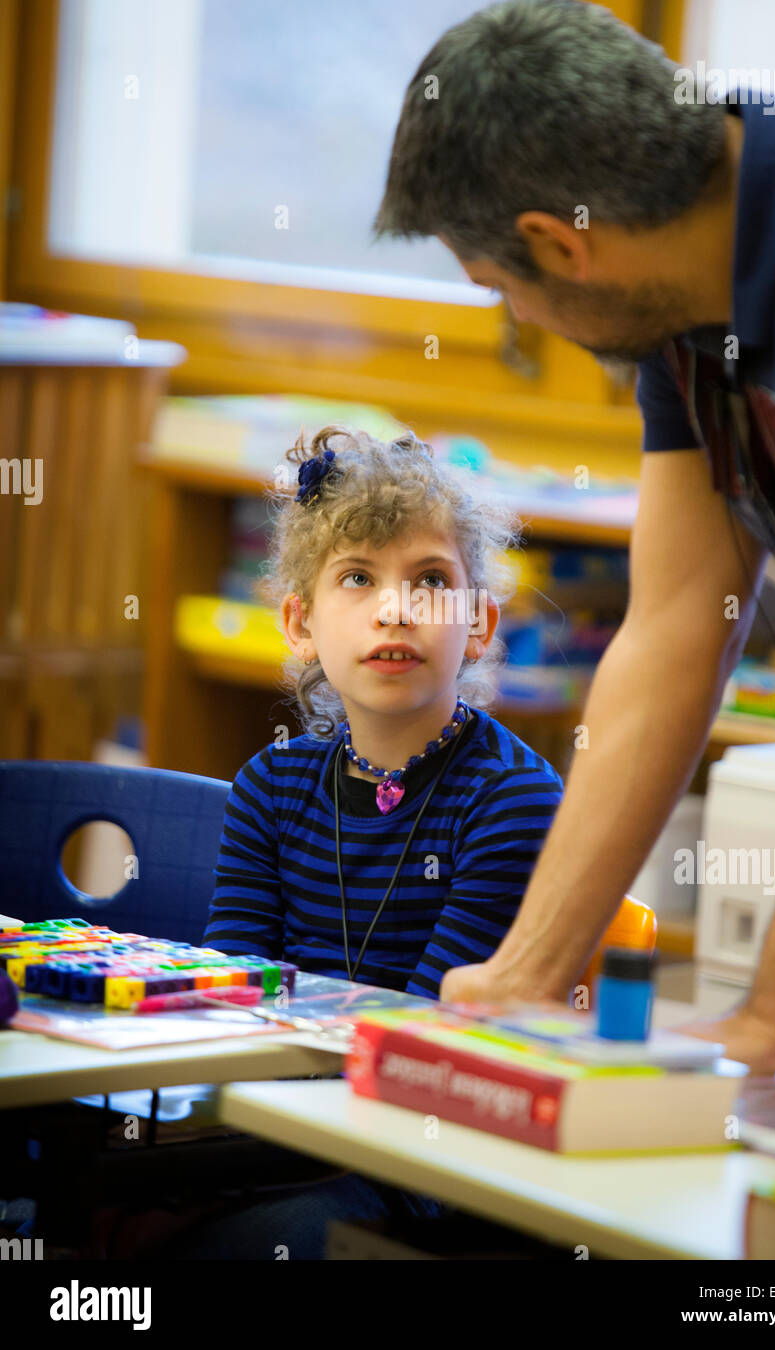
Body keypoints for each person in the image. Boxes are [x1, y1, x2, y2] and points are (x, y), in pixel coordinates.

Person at [371, 0, 775, 1075]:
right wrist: (526, 971)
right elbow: (675, 625)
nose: (519, 322)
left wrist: (763, 1023)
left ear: (559, 243)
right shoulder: (686, 304)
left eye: (502, 289)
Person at [164, 424, 563, 1258]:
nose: (395, 607)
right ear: (299, 624)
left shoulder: (513, 800)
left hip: (421, 1158)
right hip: (279, 1122)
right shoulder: (272, 786)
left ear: (481, 622)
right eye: (358, 578)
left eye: (430, 580)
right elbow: (235, 995)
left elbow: (422, 1036)